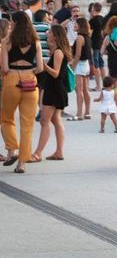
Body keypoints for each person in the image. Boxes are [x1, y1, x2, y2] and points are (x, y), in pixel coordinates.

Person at [1, 13, 44, 172]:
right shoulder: (36, 41)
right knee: (27, 125)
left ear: (15, 23)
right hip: (30, 82)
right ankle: (22, 163)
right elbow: (40, 67)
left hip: (12, 79)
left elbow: (4, 68)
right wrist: (28, 71)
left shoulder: (6, 42)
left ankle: (12, 148)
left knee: (6, 118)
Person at [33, 24, 72, 162]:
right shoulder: (57, 51)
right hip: (55, 89)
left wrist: (44, 65)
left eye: (50, 33)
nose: (47, 34)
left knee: (45, 121)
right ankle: (59, 151)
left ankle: (38, 152)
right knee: (55, 120)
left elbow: (56, 73)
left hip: (55, 89)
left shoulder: (58, 52)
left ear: (55, 36)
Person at [103, 16, 117, 112]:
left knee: (111, 86)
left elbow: (102, 52)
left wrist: (110, 52)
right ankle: (116, 105)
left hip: (111, 63)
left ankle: (108, 104)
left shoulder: (107, 38)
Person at [71, 17, 93, 121]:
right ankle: (87, 112)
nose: (74, 26)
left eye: (76, 24)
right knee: (85, 89)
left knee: (78, 89)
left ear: (80, 26)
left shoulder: (79, 37)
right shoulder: (87, 36)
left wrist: (72, 67)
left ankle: (79, 113)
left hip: (79, 64)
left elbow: (78, 54)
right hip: (86, 63)